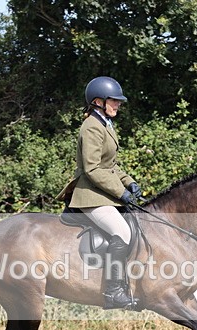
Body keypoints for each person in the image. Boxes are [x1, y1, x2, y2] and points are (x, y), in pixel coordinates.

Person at [59, 76, 144, 309]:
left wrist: (129, 182)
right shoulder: (91, 127)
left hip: (103, 192)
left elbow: (111, 166)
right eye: (114, 101)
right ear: (98, 101)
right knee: (122, 231)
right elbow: (93, 168)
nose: (118, 105)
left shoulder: (105, 124)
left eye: (118, 101)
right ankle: (113, 292)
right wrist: (120, 192)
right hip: (90, 195)